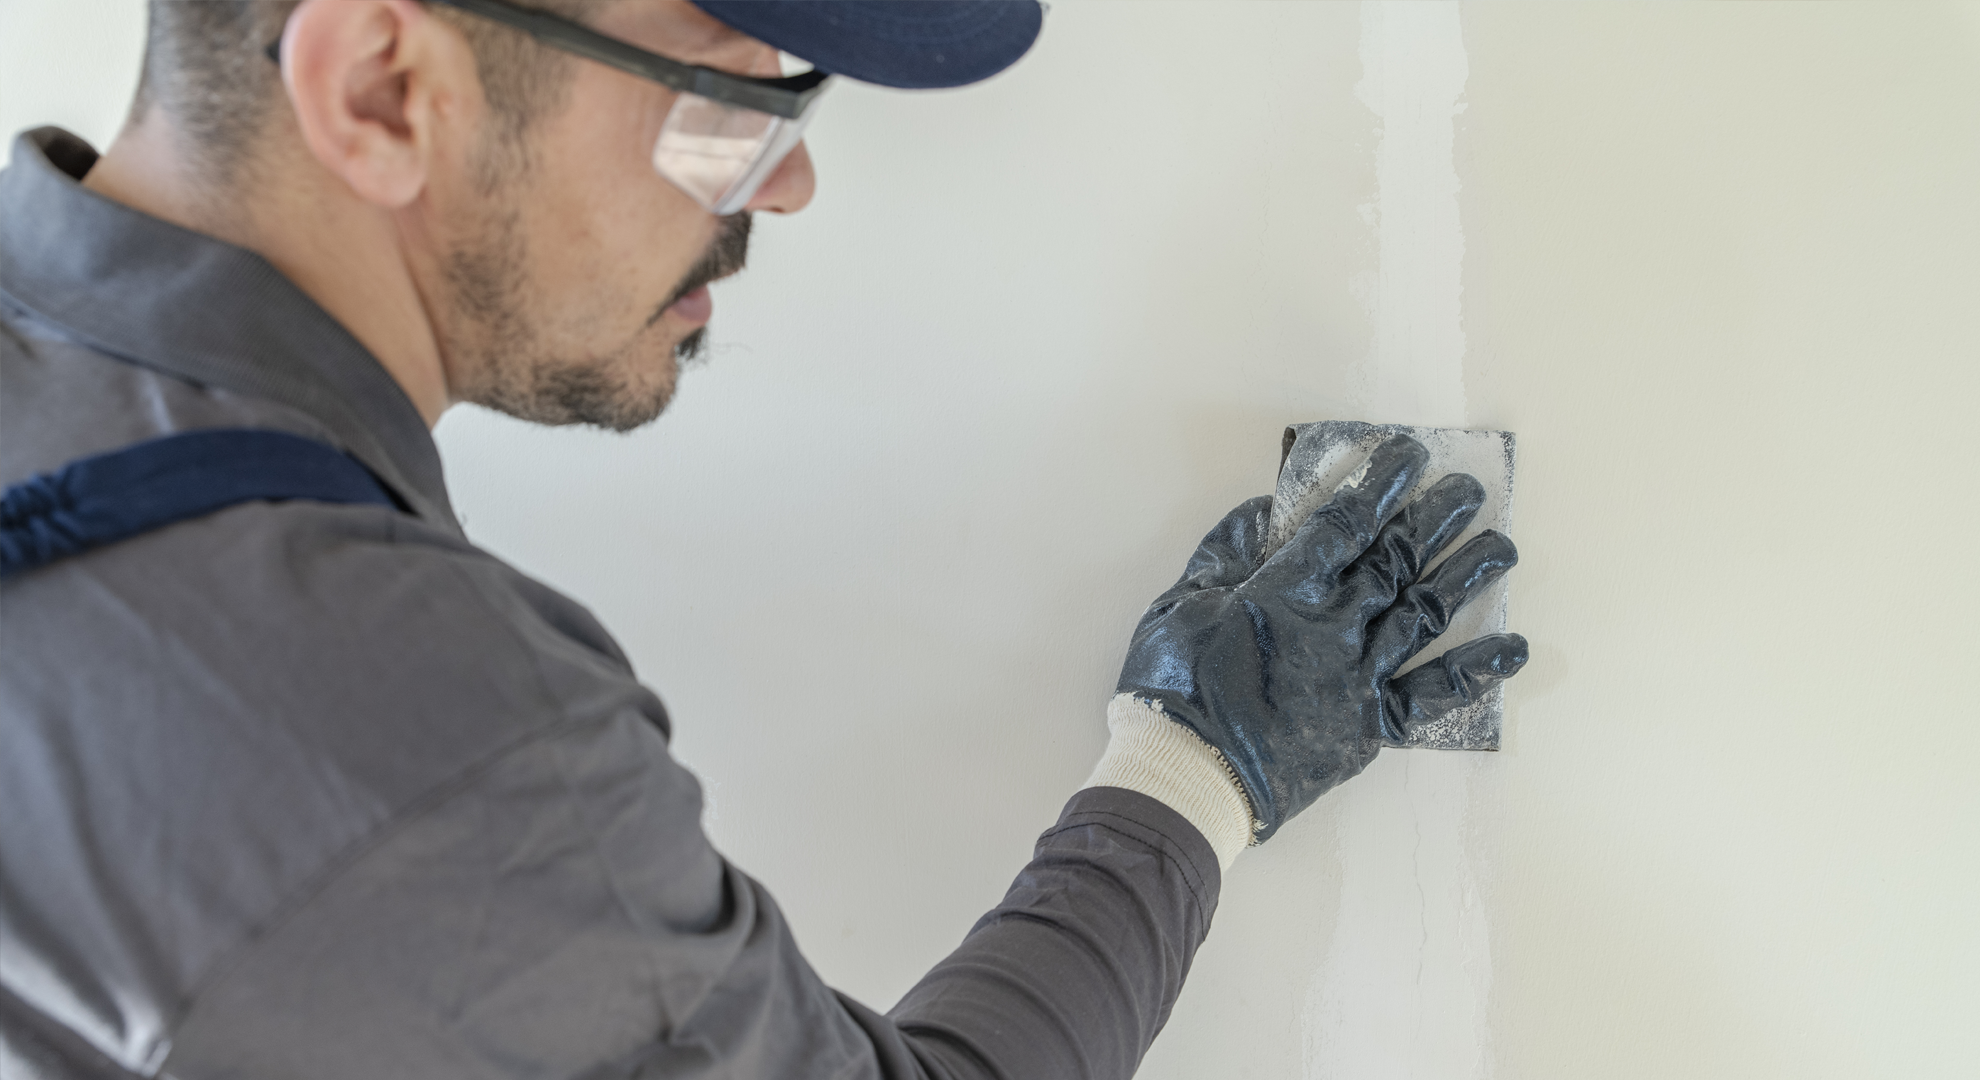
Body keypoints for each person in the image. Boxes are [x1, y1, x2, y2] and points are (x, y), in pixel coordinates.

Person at [0, 1, 1529, 1077]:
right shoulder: (414, 732)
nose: (785, 183)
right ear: (387, 88)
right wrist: (1197, 765)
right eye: (733, 98)